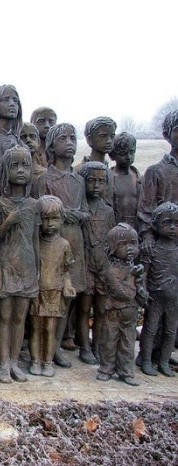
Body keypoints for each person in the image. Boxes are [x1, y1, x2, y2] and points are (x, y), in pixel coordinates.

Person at [37, 123, 90, 368]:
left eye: (73, 138)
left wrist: (75, 214)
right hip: (50, 242)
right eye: (63, 139)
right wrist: (68, 213)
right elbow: (43, 209)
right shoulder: (45, 179)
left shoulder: (79, 180)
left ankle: (56, 347)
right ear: (51, 145)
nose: (70, 143)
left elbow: (86, 212)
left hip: (74, 241)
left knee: (66, 299)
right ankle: (43, 349)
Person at [0, 146, 40, 383]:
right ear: (5, 170)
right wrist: (8, 223)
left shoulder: (34, 205)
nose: (21, 171)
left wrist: (37, 270)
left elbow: (36, 240)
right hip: (5, 264)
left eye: (25, 166)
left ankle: (13, 361)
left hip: (27, 264)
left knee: (20, 317)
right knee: (4, 316)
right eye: (15, 166)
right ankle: (2, 363)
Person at [30, 196, 75, 377]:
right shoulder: (35, 243)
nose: (49, 224)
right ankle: (35, 360)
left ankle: (48, 361)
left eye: (54, 219)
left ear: (62, 220)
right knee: (35, 328)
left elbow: (66, 270)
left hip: (54, 292)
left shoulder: (64, 245)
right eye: (45, 219)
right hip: (37, 291)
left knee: (50, 328)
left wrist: (68, 285)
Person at [98, 223, 146, 386]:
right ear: (112, 247)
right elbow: (122, 293)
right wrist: (132, 278)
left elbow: (141, 294)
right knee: (109, 341)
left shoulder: (135, 269)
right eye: (123, 244)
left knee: (128, 342)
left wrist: (139, 282)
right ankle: (106, 368)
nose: (130, 248)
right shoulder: (111, 270)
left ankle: (126, 371)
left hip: (130, 313)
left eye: (133, 243)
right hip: (114, 312)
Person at [78, 162, 116, 364]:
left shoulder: (108, 212)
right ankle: (84, 347)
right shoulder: (81, 208)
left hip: (103, 265)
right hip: (85, 265)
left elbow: (112, 241)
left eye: (102, 181)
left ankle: (98, 345)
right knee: (84, 309)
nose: (96, 186)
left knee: (101, 309)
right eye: (92, 181)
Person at [139, 202, 178, 377]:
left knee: (170, 331)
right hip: (155, 297)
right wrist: (143, 290)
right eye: (167, 223)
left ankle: (163, 361)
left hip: (174, 299)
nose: (172, 228)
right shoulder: (151, 249)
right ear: (154, 225)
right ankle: (145, 360)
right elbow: (143, 274)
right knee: (150, 329)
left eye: (176, 224)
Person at [138, 110, 178, 247]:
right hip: (167, 243)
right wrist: (147, 236)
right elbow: (146, 210)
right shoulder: (155, 172)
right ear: (167, 135)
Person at [109, 132, 141, 230]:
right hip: (117, 227)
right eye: (123, 153)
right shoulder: (109, 178)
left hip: (137, 227)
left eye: (132, 152)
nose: (128, 157)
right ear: (112, 155)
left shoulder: (139, 178)